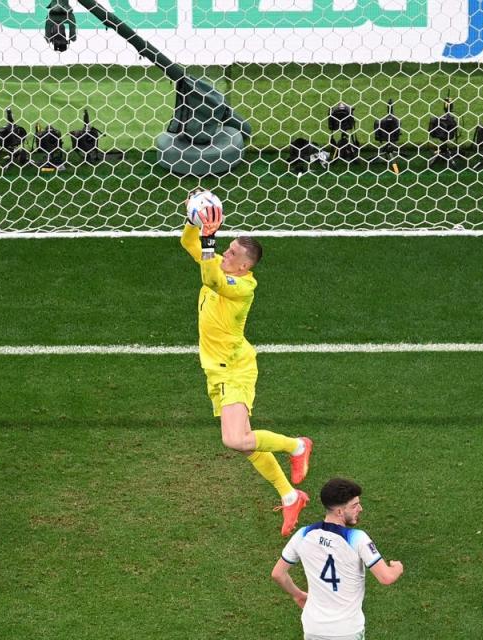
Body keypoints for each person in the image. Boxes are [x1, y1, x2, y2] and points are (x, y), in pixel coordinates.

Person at [180, 199, 312, 535]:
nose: (226, 254)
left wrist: (209, 242)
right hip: (218, 369)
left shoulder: (241, 287)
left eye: (233, 254)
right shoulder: (220, 266)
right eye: (227, 248)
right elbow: (188, 243)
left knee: (236, 440)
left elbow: (211, 281)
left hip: (234, 370)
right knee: (246, 440)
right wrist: (196, 219)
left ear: (243, 267)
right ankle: (288, 496)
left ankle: (296, 446)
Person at [271, 478, 403, 640]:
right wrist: (397, 568)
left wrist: (298, 594)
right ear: (339, 512)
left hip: (313, 628)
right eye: (354, 506)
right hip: (346, 631)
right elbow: (386, 577)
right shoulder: (357, 538)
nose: (360, 509)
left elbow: (278, 574)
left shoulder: (303, 534)